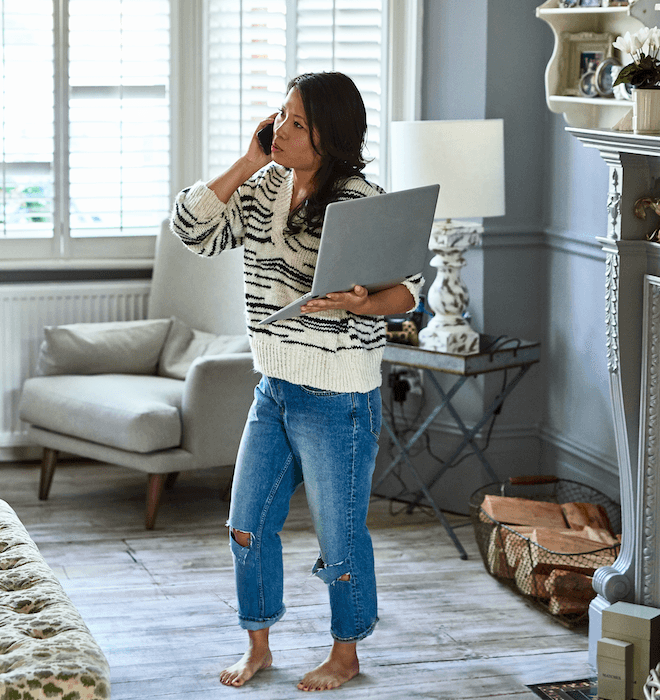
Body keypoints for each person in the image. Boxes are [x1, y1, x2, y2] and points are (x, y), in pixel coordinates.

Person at [169, 71, 422, 692]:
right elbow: (190, 229)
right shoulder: (260, 191)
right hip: (273, 387)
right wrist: (248, 159)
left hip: (340, 397)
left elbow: (409, 292)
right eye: (280, 116)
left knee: (338, 533)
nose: (281, 129)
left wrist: (361, 304)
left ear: (330, 137)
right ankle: (258, 644)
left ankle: (346, 653)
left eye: (297, 123)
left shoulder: (363, 201)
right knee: (247, 522)